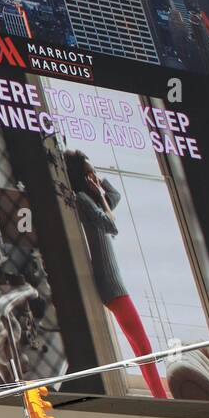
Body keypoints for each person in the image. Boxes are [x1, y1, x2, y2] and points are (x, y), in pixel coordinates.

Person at [64, 151, 169, 398]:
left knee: (140, 346)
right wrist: (98, 194)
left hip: (113, 282)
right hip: (111, 284)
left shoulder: (90, 198)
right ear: (82, 177)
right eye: (90, 172)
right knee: (143, 346)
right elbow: (112, 226)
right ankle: (161, 398)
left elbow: (115, 197)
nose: (94, 176)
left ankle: (158, 395)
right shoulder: (82, 199)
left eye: (94, 172)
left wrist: (100, 182)